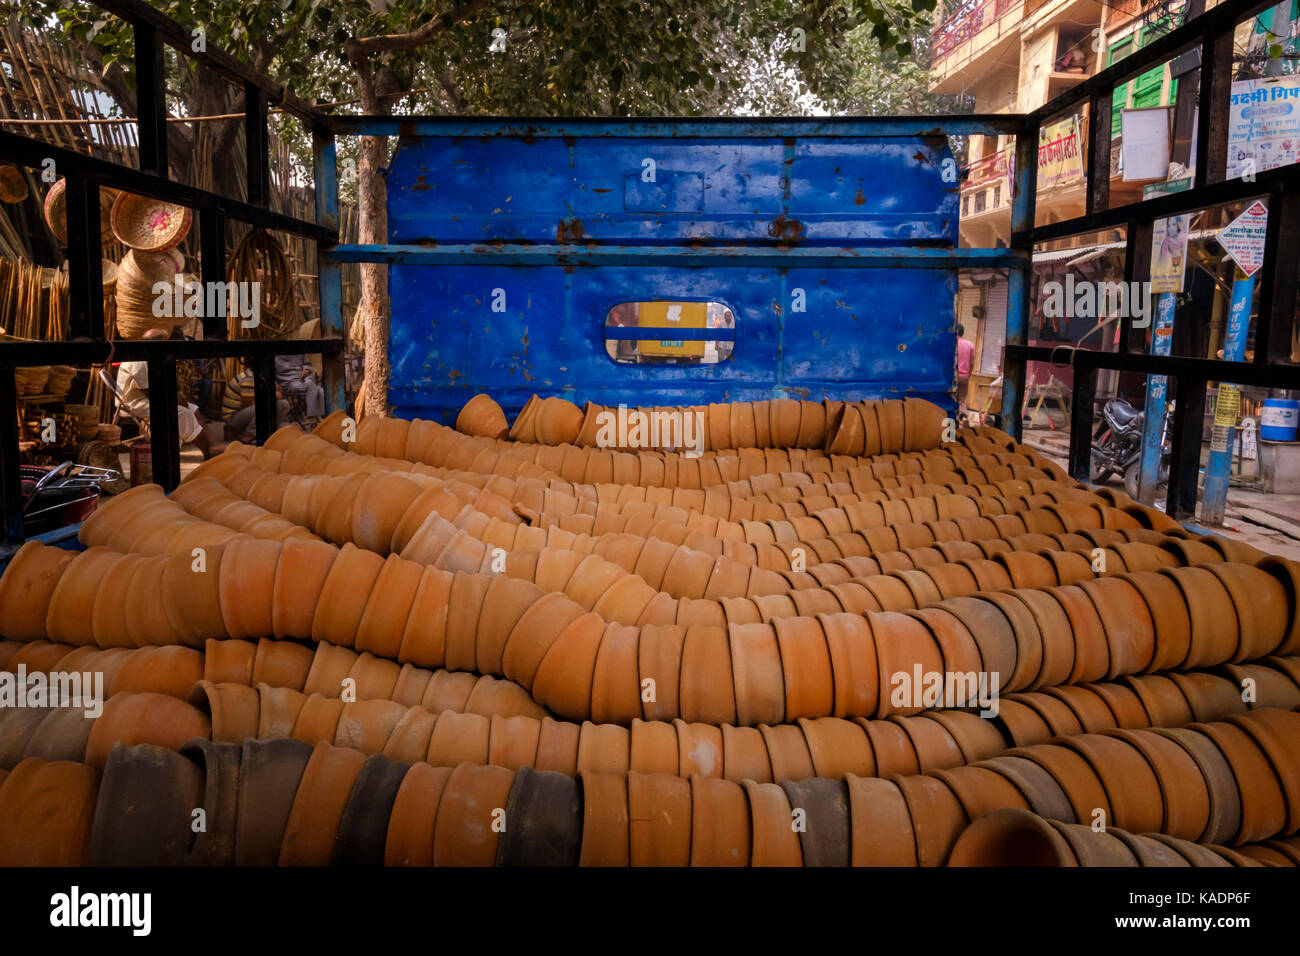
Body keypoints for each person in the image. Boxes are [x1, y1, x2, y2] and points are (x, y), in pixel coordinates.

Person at [115, 328, 225, 458]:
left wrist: (179, 399)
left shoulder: (151, 356)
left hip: (147, 398)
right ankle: (208, 451)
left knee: (193, 408)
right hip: (134, 402)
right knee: (182, 413)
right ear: (159, 343)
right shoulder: (138, 360)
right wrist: (175, 399)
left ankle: (213, 443)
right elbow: (151, 392)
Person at [956, 323, 976, 413]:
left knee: (950, 400)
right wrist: (969, 375)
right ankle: (963, 420)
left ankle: (950, 422)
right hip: (964, 377)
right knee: (962, 401)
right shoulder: (970, 345)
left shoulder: (951, 345)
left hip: (952, 377)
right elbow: (972, 363)